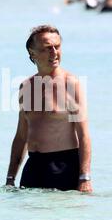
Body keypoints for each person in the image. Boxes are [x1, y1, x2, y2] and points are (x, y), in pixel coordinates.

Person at [5, 25, 93, 193]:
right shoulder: (26, 86)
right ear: (33, 53)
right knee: (29, 218)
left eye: (57, 46)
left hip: (63, 166)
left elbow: (84, 135)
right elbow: (21, 136)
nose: (54, 52)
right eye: (47, 48)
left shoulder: (71, 84)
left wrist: (85, 178)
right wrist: (10, 178)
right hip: (33, 167)